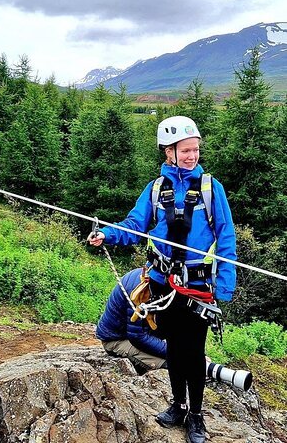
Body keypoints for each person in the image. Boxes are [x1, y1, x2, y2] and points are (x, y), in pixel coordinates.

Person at [88, 116, 237, 443]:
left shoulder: (212, 189)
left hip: (196, 286)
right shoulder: (155, 189)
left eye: (195, 150)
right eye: (185, 150)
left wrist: (225, 280)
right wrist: (108, 235)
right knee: (172, 348)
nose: (191, 156)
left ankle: (196, 417)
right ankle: (178, 406)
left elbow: (226, 235)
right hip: (160, 283)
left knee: (193, 352)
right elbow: (135, 224)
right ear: (168, 152)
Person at [96, 268, 167, 373]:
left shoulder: (156, 278)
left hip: (145, 334)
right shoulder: (139, 290)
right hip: (118, 340)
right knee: (174, 365)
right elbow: (137, 336)